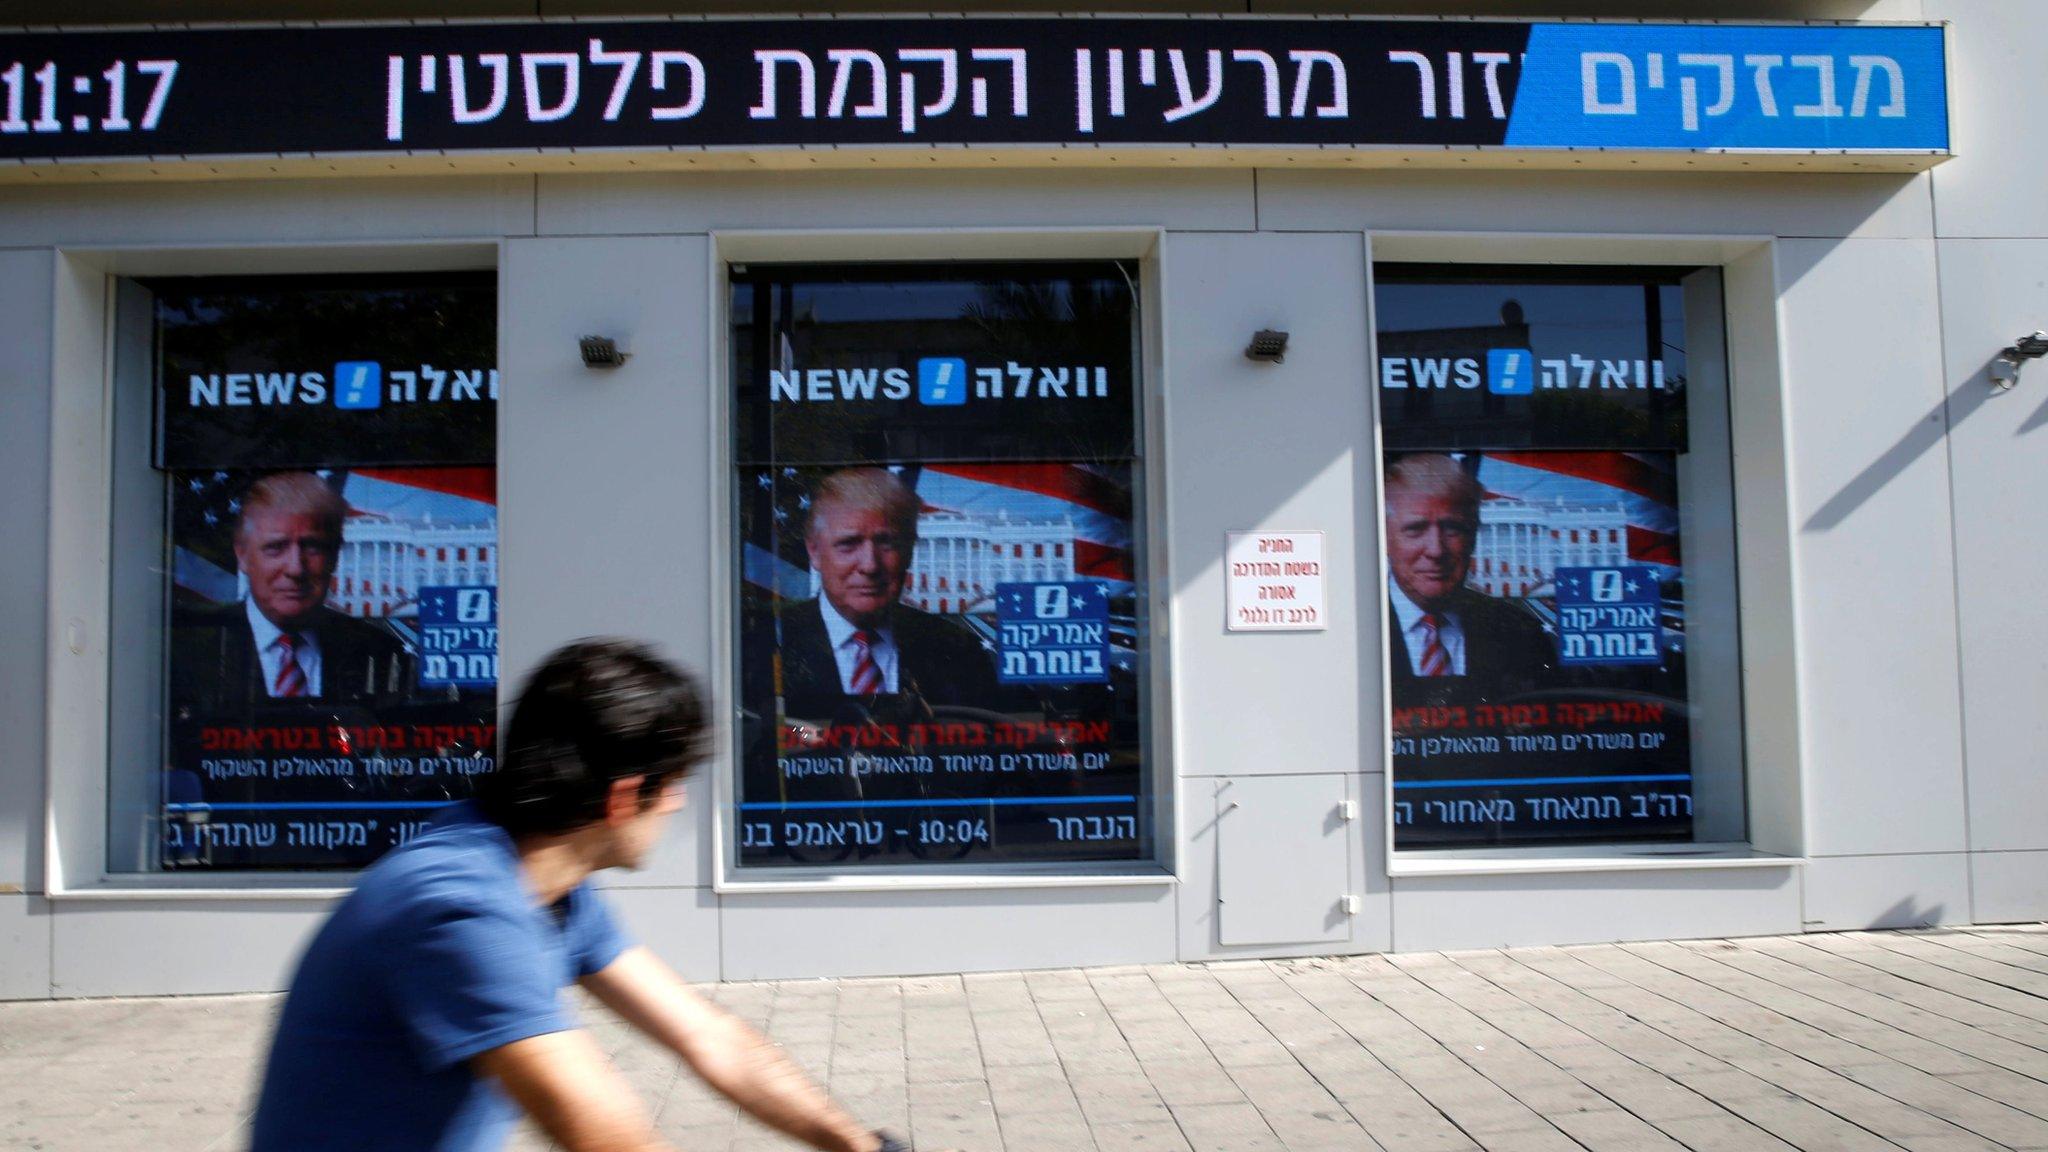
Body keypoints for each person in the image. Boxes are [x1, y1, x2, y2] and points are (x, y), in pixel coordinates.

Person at [251, 638, 908, 1152]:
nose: (679, 801)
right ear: (625, 797)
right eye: (675, 782)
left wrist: (865, 1146)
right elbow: (606, 1135)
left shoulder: (544, 880)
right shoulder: (457, 908)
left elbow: (712, 1039)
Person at [170, 470, 407, 707]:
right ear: (242, 555)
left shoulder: (377, 650)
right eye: (276, 547)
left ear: (334, 555)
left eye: (312, 547)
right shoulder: (189, 649)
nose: (295, 568)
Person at [777, 467, 996, 720]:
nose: (870, 565)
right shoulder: (773, 641)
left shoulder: (958, 648)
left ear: (909, 552)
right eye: (848, 544)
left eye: (887, 543)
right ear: (814, 552)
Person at [1383, 453, 1552, 694]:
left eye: (1453, 529)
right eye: (1416, 529)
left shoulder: (1522, 633)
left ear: (1472, 537)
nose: (1436, 550)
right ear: (1386, 538)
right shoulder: (1354, 628)